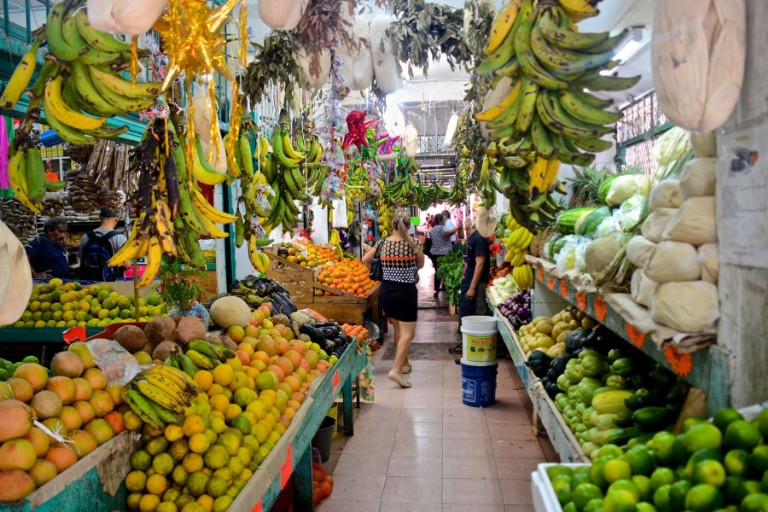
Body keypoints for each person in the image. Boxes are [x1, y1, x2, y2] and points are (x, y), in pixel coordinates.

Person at [362, 210, 424, 388]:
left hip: (387, 291)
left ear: (392, 225)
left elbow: (365, 260)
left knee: (398, 328)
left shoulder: (382, 243)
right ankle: (396, 369)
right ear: (409, 225)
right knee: (408, 333)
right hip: (405, 291)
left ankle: (404, 363)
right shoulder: (414, 244)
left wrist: (382, 275)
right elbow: (420, 265)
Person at [449, 217, 491, 358]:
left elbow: (480, 264)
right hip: (468, 282)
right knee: (466, 316)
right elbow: (460, 236)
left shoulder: (479, 239)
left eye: (466, 227)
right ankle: (465, 347)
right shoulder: (472, 237)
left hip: (475, 285)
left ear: (474, 224)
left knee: (474, 317)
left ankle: (472, 352)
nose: (464, 231)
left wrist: (472, 287)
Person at [79, 207, 128, 281]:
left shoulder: (86, 236)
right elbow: (126, 265)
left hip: (89, 283)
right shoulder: (120, 238)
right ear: (116, 219)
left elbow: (81, 259)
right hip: (111, 284)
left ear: (100, 218)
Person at [429, 213, 457, 297]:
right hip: (444, 253)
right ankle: (447, 288)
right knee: (447, 270)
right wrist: (456, 229)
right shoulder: (441, 228)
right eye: (444, 219)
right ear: (440, 220)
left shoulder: (433, 229)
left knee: (438, 271)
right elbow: (447, 233)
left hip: (435, 253)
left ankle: (437, 290)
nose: (445, 221)